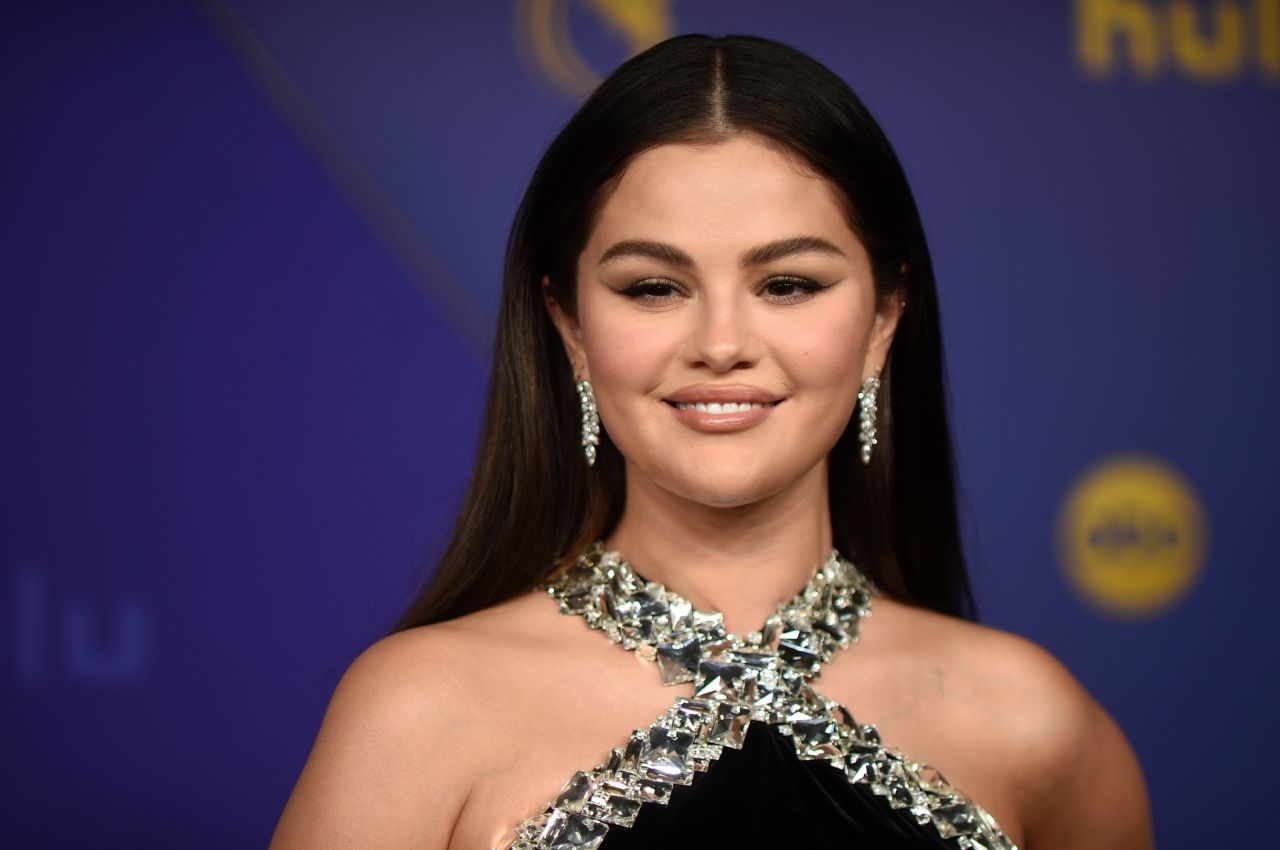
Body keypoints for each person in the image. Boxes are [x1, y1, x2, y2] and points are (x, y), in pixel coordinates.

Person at [269, 33, 1154, 850]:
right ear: (570, 325)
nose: (722, 342)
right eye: (654, 287)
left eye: (789, 284)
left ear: (884, 319)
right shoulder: (418, 711)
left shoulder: (1035, 723)